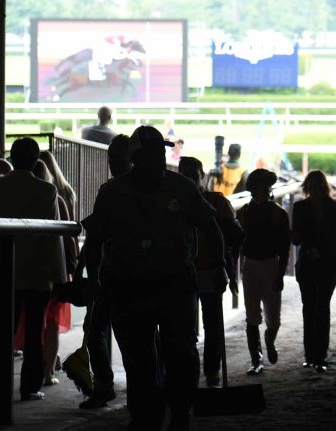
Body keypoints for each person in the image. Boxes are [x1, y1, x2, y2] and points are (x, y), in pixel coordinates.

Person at [83, 125, 225, 430]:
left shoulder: (182, 188)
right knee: (138, 361)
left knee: (180, 355)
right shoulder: (112, 193)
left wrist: (219, 265)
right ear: (136, 157)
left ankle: (179, 414)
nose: (160, 158)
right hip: (128, 287)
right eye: (152, 153)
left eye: (161, 151)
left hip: (174, 284)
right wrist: (94, 280)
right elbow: (94, 242)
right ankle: (145, 416)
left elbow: (210, 226)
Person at [0, 137, 66, 402]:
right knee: (34, 333)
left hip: (0, 273)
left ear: (11, 157)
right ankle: (30, 386)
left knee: (1, 332)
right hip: (36, 274)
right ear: (35, 161)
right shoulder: (46, 191)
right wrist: (59, 276)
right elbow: (53, 238)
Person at [76, 134, 132, 409]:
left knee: (95, 328)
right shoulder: (150, 188)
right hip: (142, 271)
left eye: (113, 158)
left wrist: (89, 272)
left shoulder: (110, 190)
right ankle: (148, 382)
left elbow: (95, 235)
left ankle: (104, 385)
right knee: (138, 332)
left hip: (113, 273)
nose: (111, 163)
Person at [178, 156, 243, 387]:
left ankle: (210, 372)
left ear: (200, 177)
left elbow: (235, 236)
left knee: (210, 324)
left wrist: (224, 262)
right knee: (187, 325)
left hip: (206, 269)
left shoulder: (214, 202)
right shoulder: (211, 202)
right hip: (183, 271)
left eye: (191, 175)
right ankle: (200, 372)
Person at [291, 170, 336, 373]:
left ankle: (314, 355)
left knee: (313, 306)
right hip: (325, 262)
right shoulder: (335, 207)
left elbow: (296, 239)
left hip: (312, 262)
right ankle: (317, 355)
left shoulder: (302, 207)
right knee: (320, 306)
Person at [25, 160, 73, 388]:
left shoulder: (24, 200)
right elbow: (67, 236)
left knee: (32, 323)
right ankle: (48, 371)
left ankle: (35, 369)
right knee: (52, 322)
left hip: (28, 269)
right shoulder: (56, 198)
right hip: (53, 268)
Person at [237, 168, 290, 376]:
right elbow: (237, 245)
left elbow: (285, 246)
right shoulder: (245, 213)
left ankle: (269, 339)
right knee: (252, 315)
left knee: (273, 318)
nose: (265, 191)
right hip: (252, 264)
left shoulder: (278, 214)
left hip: (270, 264)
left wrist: (280, 273)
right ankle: (256, 358)